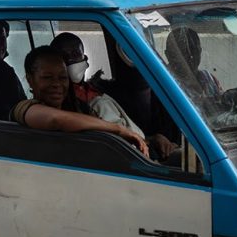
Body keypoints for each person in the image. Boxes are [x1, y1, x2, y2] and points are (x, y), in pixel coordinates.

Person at [50, 32, 177, 162]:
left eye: (76, 55)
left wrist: (153, 139)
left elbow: (127, 131)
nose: (70, 61)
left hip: (142, 151)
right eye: (64, 57)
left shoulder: (99, 90)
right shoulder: (63, 102)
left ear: (85, 59)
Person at [11, 45, 149, 156]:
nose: (56, 84)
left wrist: (149, 141)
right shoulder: (25, 108)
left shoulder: (79, 108)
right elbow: (56, 120)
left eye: (63, 78)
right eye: (47, 78)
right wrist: (119, 129)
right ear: (30, 80)